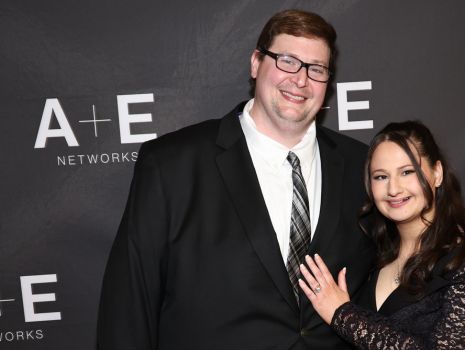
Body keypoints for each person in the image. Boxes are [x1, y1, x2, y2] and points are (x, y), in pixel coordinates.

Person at [97, 9, 374, 350]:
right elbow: (128, 307)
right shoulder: (171, 164)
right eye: (287, 61)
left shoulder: (364, 167)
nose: (300, 80)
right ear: (256, 63)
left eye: (316, 69)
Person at [299, 121, 465, 349]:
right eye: (380, 177)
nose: (393, 189)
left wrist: (342, 314)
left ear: (437, 173)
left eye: (407, 172)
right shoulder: (372, 254)